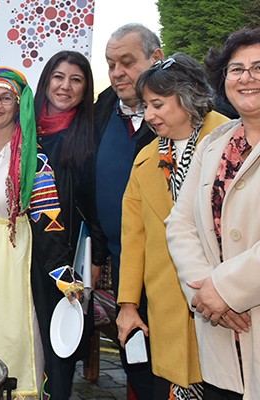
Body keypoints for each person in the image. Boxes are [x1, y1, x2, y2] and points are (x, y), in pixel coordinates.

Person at [0, 66, 77, 398]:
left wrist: (64, 278)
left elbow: (51, 223)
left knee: (9, 339)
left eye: (5, 98)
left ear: (19, 103)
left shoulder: (33, 162)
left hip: (15, 262)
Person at [116, 53, 229, 399]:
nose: (148, 115)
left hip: (226, 308)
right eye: (146, 106)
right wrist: (128, 306)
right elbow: (133, 239)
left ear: (187, 97)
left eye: (157, 105)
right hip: (166, 309)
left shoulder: (232, 142)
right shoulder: (145, 159)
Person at [167, 27, 260, 399]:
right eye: (236, 69)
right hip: (220, 331)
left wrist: (225, 289)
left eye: (258, 67)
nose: (247, 78)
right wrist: (206, 293)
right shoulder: (214, 144)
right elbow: (180, 223)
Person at [93, 23, 163, 399]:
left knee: (174, 365)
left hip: (175, 269)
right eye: (110, 63)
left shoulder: (191, 115)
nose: (117, 72)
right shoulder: (101, 110)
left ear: (156, 58)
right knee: (134, 355)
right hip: (124, 264)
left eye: (127, 62)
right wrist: (100, 250)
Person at [33, 50, 103, 398]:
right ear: (46, 80)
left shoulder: (89, 136)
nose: (65, 86)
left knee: (58, 340)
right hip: (19, 251)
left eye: (76, 79)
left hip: (64, 255)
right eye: (58, 77)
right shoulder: (24, 128)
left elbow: (95, 204)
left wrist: (97, 258)